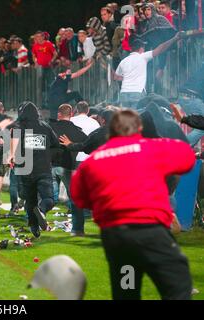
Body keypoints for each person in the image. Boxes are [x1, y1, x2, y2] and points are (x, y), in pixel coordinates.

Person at [71, 109, 195, 300]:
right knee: (177, 285)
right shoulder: (153, 148)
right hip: (151, 231)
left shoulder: (93, 161)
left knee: (126, 291)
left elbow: (79, 198)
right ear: (139, 128)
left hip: (118, 238)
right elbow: (187, 158)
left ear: (110, 129)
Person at [7, 101, 59, 238]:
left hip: (25, 169)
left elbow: (15, 137)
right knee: (49, 198)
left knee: (30, 200)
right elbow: (56, 144)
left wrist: (12, 155)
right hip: (43, 168)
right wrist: (49, 157)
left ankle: (33, 226)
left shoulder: (19, 126)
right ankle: (42, 210)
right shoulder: (45, 127)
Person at [114, 32, 183, 109]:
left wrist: (127, 78)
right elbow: (161, 48)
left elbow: (116, 77)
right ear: (141, 49)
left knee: (125, 118)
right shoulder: (143, 57)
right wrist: (175, 38)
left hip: (124, 93)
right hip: (137, 92)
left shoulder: (123, 61)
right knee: (137, 118)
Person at [50, 104, 88, 236]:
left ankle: (37, 218)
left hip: (50, 165)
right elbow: (86, 144)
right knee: (74, 198)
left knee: (47, 196)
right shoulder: (77, 131)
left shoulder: (50, 128)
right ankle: (77, 230)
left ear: (58, 114)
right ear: (71, 114)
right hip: (67, 166)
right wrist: (72, 145)